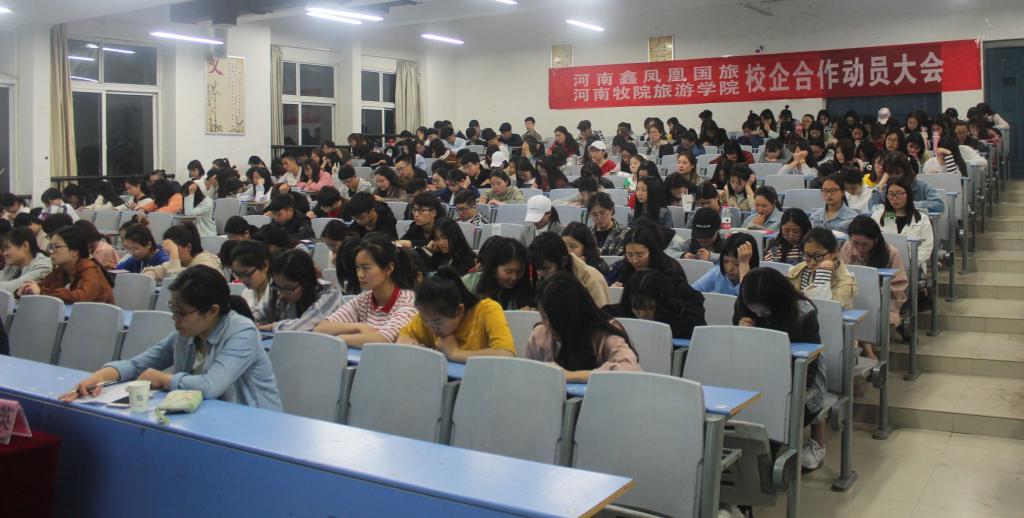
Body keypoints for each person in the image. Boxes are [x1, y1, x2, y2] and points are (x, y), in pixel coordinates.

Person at [62, 266, 282, 410]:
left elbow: (210, 386)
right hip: (208, 415)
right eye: (173, 310)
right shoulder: (187, 334)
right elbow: (138, 365)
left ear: (213, 311)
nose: (175, 319)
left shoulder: (242, 332)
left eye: (182, 313)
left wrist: (163, 379)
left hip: (254, 424)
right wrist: (97, 378)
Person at [734, 267, 827, 471]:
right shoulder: (744, 303)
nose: (757, 314)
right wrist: (740, 331)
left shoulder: (802, 313)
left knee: (773, 416)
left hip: (797, 378)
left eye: (763, 311)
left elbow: (808, 365)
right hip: (755, 375)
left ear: (778, 301)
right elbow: (737, 350)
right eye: (753, 308)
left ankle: (764, 468)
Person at [527, 272, 641, 379]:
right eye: (543, 317)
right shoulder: (540, 335)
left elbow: (631, 370)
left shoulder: (604, 334)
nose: (548, 325)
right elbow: (528, 377)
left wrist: (570, 376)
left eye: (555, 319)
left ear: (573, 314)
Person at [315, 237, 419, 347]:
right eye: (358, 268)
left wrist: (339, 338)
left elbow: (382, 340)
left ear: (388, 268)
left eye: (366, 268)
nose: (360, 274)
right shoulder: (363, 299)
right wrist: (358, 327)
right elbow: (320, 328)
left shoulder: (409, 303)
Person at [397, 267, 516, 360]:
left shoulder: (487, 310)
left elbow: (506, 354)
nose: (430, 327)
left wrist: (455, 353)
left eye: (437, 322)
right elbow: (404, 335)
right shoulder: (429, 316)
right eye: (424, 320)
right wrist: (408, 345)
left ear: (459, 310)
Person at [840, 215, 909, 358]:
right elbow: (841, 276)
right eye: (855, 243)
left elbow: (898, 286)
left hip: (881, 302)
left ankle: (867, 352)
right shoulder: (847, 247)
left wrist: (894, 310)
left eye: (865, 244)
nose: (859, 248)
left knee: (867, 312)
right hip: (853, 298)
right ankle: (867, 353)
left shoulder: (891, 253)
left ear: (875, 240)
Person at [604, 266, 706, 340]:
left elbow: (695, 327)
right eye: (636, 309)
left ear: (661, 303)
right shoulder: (623, 308)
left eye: (649, 308)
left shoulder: (687, 311)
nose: (642, 315)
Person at [19, 225, 113, 303]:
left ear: (74, 251)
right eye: (51, 247)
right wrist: (27, 289)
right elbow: (42, 287)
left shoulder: (90, 268)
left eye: (57, 247)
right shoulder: (60, 270)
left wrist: (42, 293)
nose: (51, 252)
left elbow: (83, 297)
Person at [256, 249, 342, 332]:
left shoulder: (330, 293)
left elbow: (304, 325)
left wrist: (273, 326)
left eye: (288, 288)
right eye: (277, 286)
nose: (281, 294)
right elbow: (259, 312)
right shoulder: (281, 292)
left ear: (306, 281)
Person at [872, 175, 934, 274]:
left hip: (913, 266)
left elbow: (926, 247)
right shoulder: (878, 216)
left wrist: (908, 262)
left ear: (908, 194)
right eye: (891, 194)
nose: (895, 198)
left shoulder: (921, 219)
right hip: (884, 265)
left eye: (899, 193)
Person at [529, 231, 609, 307]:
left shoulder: (592, 279)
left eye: (546, 268)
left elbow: (600, 315)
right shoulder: (544, 279)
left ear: (564, 261)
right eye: (538, 269)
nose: (541, 273)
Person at [786, 227, 857, 309]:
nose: (812, 262)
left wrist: (823, 272)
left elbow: (824, 308)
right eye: (807, 255)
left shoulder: (845, 280)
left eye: (818, 256)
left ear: (834, 252)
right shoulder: (799, 269)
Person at [462, 237, 535, 310]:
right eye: (508, 272)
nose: (514, 277)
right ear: (494, 267)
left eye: (519, 271)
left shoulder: (525, 287)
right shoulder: (469, 284)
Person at [143, 222, 222, 282]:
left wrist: (174, 255)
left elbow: (179, 287)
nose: (168, 255)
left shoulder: (208, 265)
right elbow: (156, 270)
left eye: (172, 251)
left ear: (188, 247)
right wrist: (151, 274)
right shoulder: (183, 262)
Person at [692, 233, 758, 295]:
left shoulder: (758, 282)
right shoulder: (717, 273)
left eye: (737, 264)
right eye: (726, 261)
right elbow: (692, 292)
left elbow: (746, 299)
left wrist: (744, 263)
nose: (730, 268)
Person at [230, 240, 273, 322]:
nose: (241, 280)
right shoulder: (246, 293)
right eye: (237, 274)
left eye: (246, 273)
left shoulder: (279, 293)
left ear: (265, 266)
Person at [0, 226, 52, 293]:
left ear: (25, 246)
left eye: (7, 248)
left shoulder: (43, 266)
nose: (4, 253)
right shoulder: (14, 264)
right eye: (3, 250)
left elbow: (15, 286)